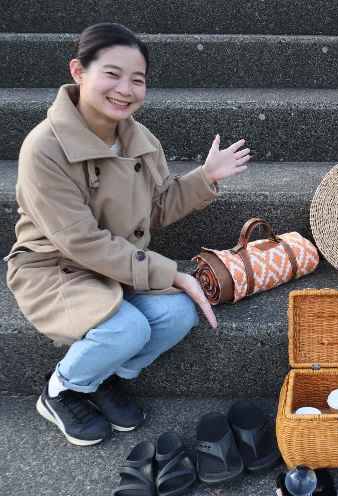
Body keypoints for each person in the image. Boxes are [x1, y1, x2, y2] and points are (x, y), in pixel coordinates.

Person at [5, 23, 251, 446]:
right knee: (128, 329)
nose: (126, 89)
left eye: (137, 79)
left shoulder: (140, 139)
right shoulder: (43, 148)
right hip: (55, 267)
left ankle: (100, 378)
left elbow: (153, 209)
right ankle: (61, 389)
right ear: (78, 71)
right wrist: (171, 273)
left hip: (118, 263)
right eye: (112, 74)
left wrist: (205, 177)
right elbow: (78, 241)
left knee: (178, 315)